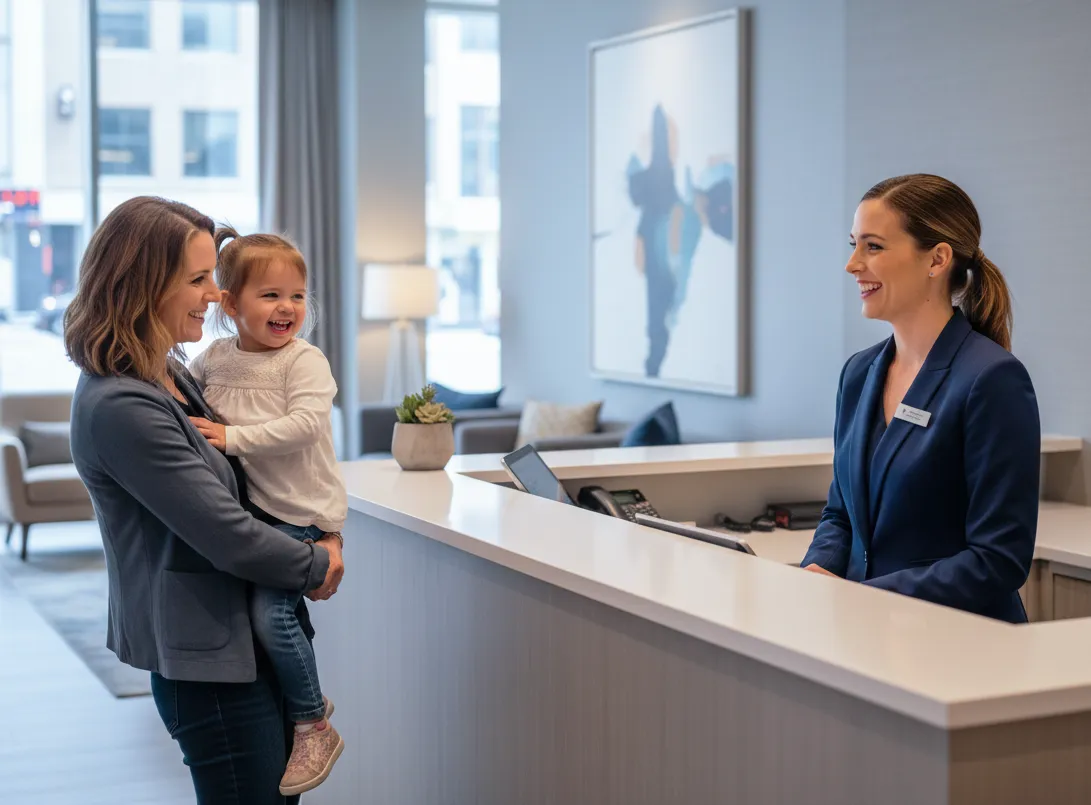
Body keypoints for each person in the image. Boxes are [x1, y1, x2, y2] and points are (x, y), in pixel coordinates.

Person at [64, 196, 345, 804]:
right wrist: (319, 561)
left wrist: (319, 523)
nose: (216, 295)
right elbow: (227, 535)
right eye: (197, 280)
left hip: (239, 643)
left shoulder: (167, 372)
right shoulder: (123, 404)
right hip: (210, 661)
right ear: (143, 286)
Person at [801, 174, 1040, 623]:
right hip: (865, 633)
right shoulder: (858, 374)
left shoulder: (992, 380)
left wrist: (866, 598)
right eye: (853, 245)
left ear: (937, 259)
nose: (852, 264)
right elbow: (841, 515)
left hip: (955, 640)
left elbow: (999, 559)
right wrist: (815, 573)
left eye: (873, 247)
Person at [187, 227, 346, 796]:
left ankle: (313, 723)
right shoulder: (215, 358)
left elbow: (305, 425)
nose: (287, 307)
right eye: (271, 295)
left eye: (297, 295)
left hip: (302, 510)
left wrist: (231, 438)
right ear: (230, 304)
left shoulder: (304, 361)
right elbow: (181, 394)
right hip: (261, 511)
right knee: (271, 616)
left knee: (272, 616)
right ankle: (304, 700)